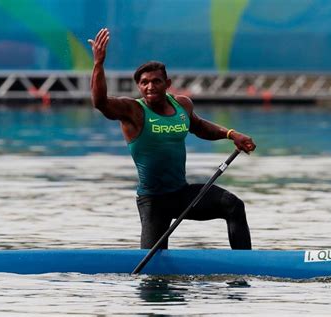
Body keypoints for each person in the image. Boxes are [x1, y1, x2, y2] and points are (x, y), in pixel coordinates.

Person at [88, 28, 256, 250]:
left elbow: (199, 127)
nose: (150, 87)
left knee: (233, 206)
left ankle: (243, 264)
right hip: (153, 201)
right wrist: (99, 63)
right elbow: (100, 102)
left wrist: (231, 134)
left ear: (167, 84)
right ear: (139, 86)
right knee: (152, 275)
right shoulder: (133, 111)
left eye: (156, 81)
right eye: (144, 82)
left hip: (181, 193)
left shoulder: (182, 105)